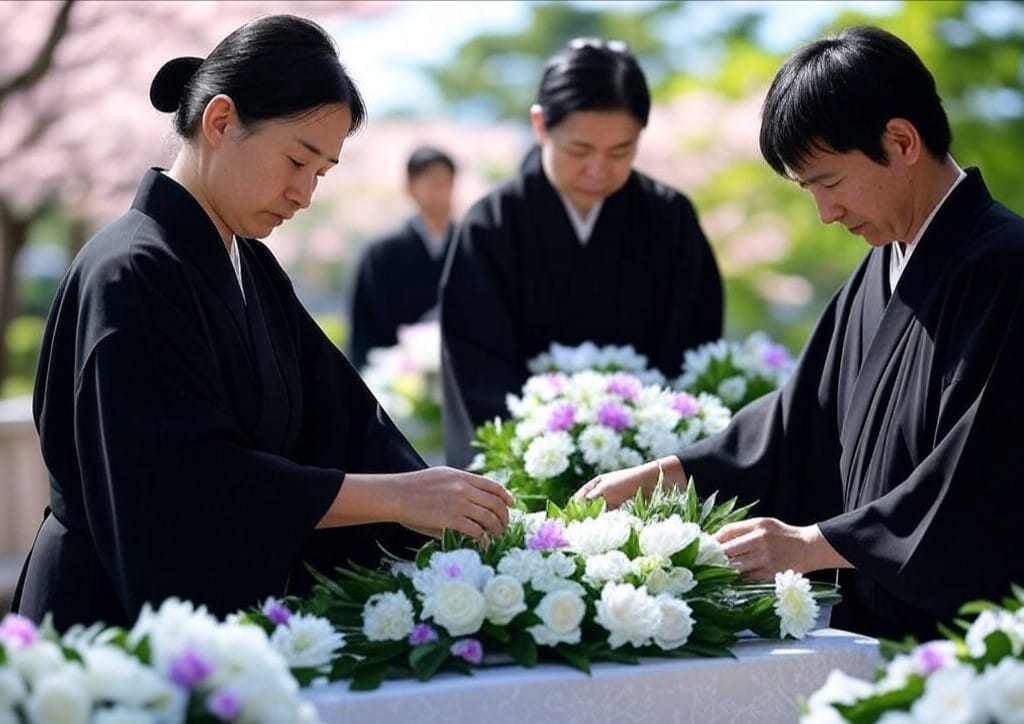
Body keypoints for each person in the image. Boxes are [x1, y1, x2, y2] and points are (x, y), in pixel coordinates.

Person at [10, 15, 513, 632]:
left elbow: (345, 424)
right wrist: (394, 497)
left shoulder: (251, 265)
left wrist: (452, 503)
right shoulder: (129, 272)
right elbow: (181, 482)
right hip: (106, 615)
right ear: (220, 121)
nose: (304, 194)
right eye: (297, 160)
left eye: (320, 173)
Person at [575, 25, 1024, 641]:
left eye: (830, 183)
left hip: (968, 641)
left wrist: (812, 544)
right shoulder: (879, 269)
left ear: (901, 141)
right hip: (869, 626)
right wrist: (665, 473)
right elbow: (796, 424)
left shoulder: (1008, 265)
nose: (826, 213)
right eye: (809, 190)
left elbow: (981, 475)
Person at [440, 38, 724, 468]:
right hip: (532, 461)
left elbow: (693, 343)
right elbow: (476, 363)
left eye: (620, 151)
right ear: (540, 125)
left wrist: (651, 435)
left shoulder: (670, 218)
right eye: (579, 150)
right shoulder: (492, 225)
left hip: (647, 460)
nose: (597, 170)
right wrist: (535, 448)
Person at [348, 145, 458, 369]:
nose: (439, 190)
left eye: (445, 182)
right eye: (431, 182)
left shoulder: (468, 245)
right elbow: (366, 325)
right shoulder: (382, 252)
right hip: (398, 370)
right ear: (410, 187)